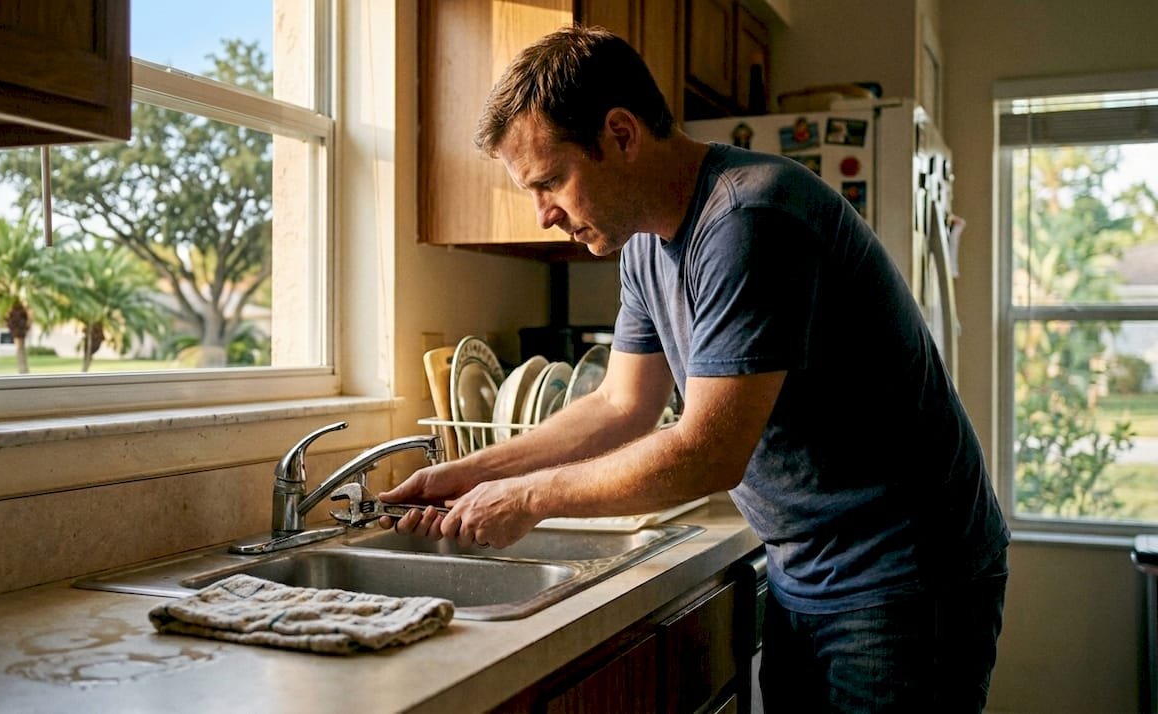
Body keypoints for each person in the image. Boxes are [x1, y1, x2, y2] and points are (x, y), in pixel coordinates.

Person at [379, 25, 1009, 714]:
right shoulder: (646, 247)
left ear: (621, 135)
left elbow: (708, 453)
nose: (544, 214)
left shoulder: (749, 217)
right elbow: (621, 405)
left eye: (551, 181)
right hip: (808, 567)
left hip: (907, 577)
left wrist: (527, 500)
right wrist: (473, 473)